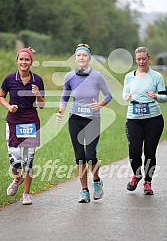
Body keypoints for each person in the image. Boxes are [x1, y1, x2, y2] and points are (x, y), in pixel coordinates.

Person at [56, 43, 112, 203]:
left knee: (90, 155)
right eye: (78, 55)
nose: (81, 58)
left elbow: (109, 95)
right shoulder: (69, 77)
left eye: (84, 55)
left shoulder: (97, 76)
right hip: (75, 119)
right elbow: (64, 97)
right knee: (79, 157)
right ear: (75, 58)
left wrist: (100, 104)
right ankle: (84, 191)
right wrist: (60, 111)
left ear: (89, 58)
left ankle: (96, 181)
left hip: (93, 119)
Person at [0, 47, 45, 205]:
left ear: (31, 62)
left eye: (27, 59)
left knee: (29, 161)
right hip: (13, 121)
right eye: (21, 59)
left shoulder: (37, 80)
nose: (24, 62)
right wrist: (8, 106)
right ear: (17, 61)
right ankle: (17, 178)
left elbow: (42, 105)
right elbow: (1, 96)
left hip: (31, 121)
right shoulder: (9, 79)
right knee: (15, 160)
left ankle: (26, 194)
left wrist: (38, 93)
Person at [122, 47, 167, 195]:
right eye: (139, 59)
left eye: (144, 58)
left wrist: (156, 96)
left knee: (149, 152)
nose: (141, 61)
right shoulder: (129, 77)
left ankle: (148, 183)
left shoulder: (156, 77)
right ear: (136, 60)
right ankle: (136, 174)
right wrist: (126, 97)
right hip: (134, 119)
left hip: (153, 119)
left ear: (149, 59)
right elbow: (125, 94)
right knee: (134, 151)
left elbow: (164, 97)